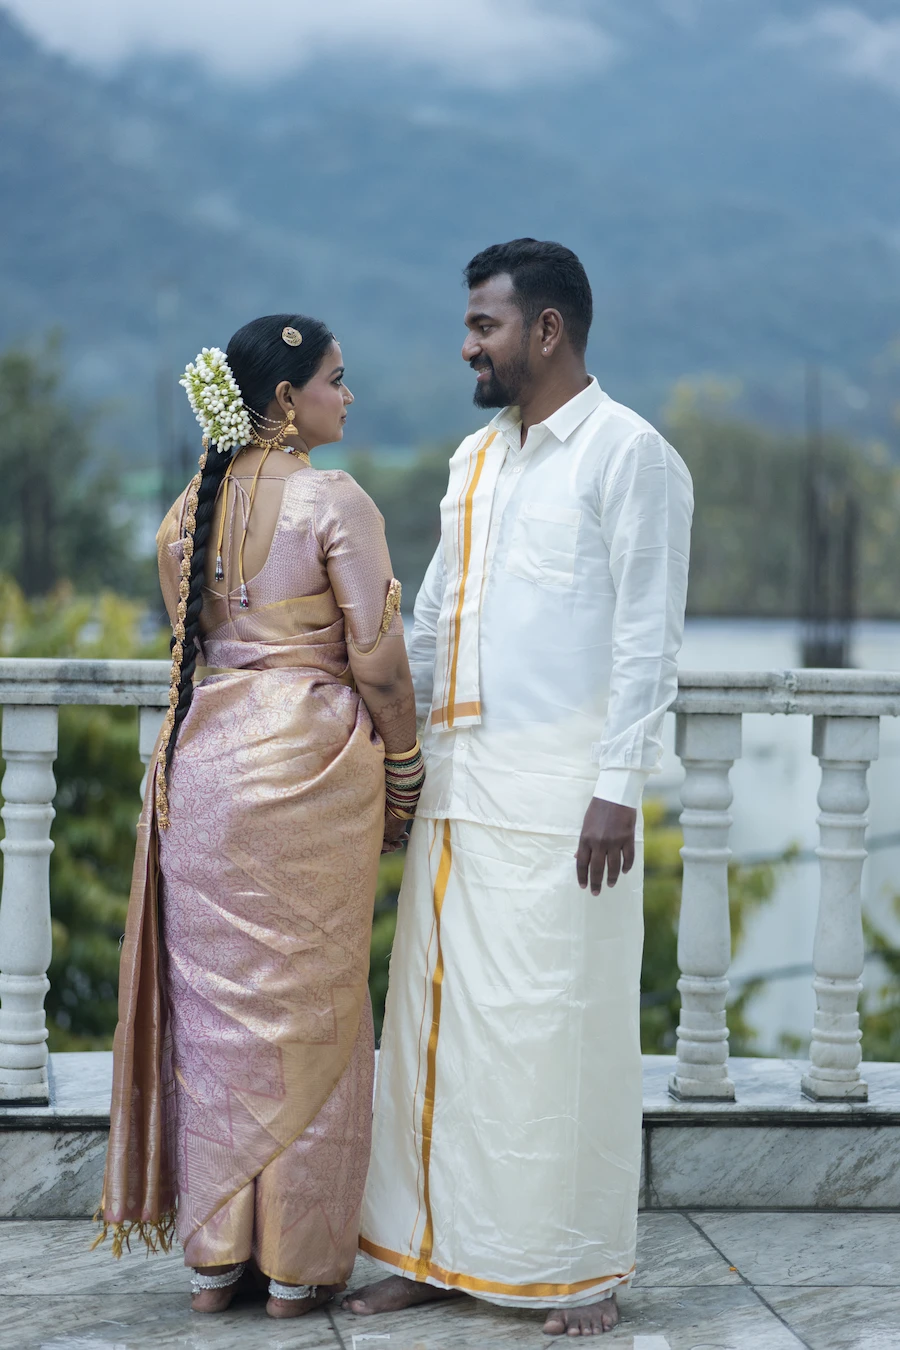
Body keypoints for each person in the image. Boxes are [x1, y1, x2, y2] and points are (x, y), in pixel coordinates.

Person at [344, 241, 693, 1337]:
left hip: (564, 803)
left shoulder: (631, 456)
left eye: (485, 326)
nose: (468, 346)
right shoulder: (473, 459)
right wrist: (401, 763)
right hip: (459, 788)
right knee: (435, 1030)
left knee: (557, 1031)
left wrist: (617, 784)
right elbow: (439, 617)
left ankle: (574, 1269)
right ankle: (427, 1251)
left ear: (546, 330)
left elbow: (648, 638)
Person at [94, 315, 423, 1321]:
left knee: (221, 1022)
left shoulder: (187, 512)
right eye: (335, 377)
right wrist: (405, 768)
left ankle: (212, 1265)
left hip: (202, 769)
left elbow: (202, 641)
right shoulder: (334, 501)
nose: (347, 396)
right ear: (285, 399)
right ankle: (295, 1269)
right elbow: (376, 658)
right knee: (312, 1019)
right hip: (309, 772)